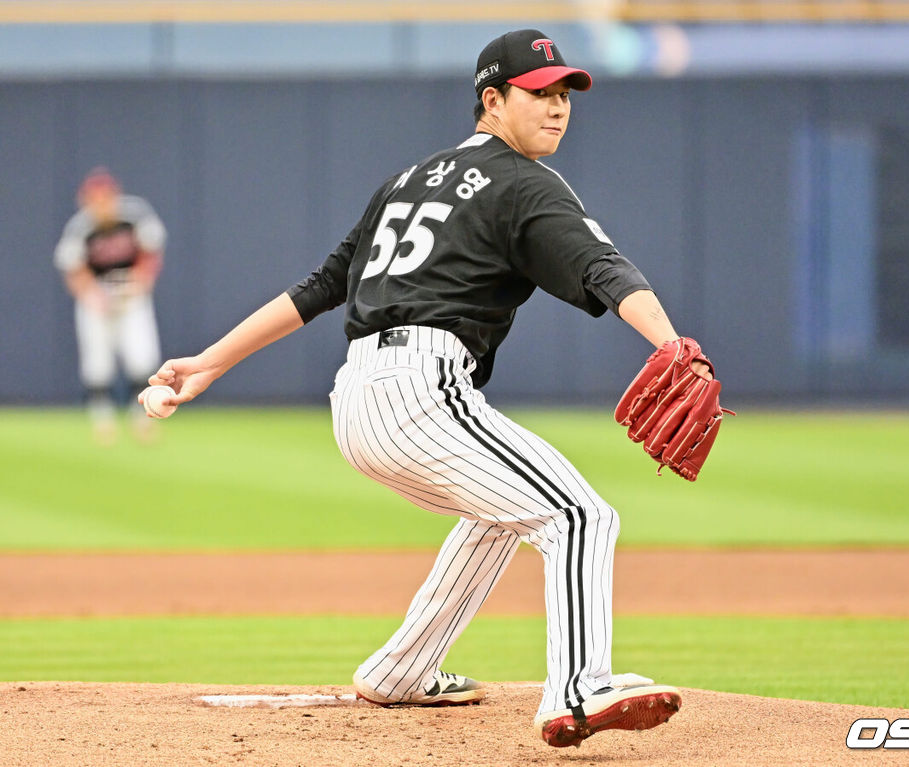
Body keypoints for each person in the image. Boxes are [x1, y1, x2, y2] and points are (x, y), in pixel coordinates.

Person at [146, 29, 709, 747]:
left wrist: (209, 362)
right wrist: (672, 345)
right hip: (421, 385)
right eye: (541, 93)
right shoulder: (523, 181)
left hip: (358, 398)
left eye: (565, 94)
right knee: (580, 517)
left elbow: (321, 287)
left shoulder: (410, 178)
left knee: (504, 509)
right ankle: (576, 689)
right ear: (492, 99)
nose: (559, 108)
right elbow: (606, 268)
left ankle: (401, 668)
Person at [55, 167, 166, 444]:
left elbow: (151, 253)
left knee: (142, 357)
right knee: (97, 363)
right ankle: (102, 420)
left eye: (105, 198)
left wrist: (141, 281)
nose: (101, 205)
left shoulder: (135, 215)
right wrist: (91, 294)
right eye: (94, 199)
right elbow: (73, 269)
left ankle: (142, 418)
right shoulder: (81, 227)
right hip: (97, 299)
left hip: (131, 296)